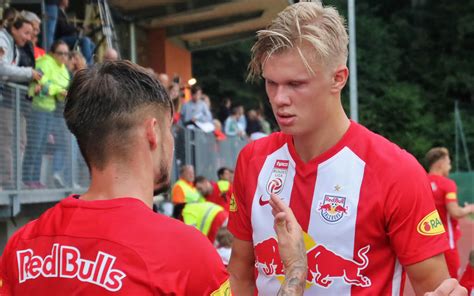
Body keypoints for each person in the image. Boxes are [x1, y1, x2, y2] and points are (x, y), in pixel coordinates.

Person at [0, 60, 309, 295]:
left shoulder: (22, 246)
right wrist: (295, 269)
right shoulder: (184, 253)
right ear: (153, 132)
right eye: (169, 128)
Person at [227, 2, 467, 295]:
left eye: (295, 84)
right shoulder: (253, 160)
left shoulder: (395, 171)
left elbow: (435, 288)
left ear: (338, 78)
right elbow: (240, 275)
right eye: (271, 83)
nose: (279, 99)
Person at [0, 16, 42, 190]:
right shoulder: (3, 39)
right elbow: (1, 68)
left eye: (30, 34)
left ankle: (13, 180)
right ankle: (7, 182)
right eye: (25, 32)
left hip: (12, 100)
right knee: (8, 140)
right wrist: (28, 73)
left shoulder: (14, 45)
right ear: (14, 29)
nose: (27, 37)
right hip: (7, 100)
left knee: (19, 141)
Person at [22, 40, 70, 189]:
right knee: (34, 145)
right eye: (60, 53)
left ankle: (35, 179)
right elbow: (41, 80)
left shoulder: (64, 69)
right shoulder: (45, 62)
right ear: (52, 53)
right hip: (38, 108)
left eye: (66, 54)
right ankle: (27, 178)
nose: (63, 56)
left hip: (50, 110)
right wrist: (57, 91)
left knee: (42, 145)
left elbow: (59, 88)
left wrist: (60, 92)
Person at [426, 147, 474, 278]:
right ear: (440, 163)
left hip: (426, 240)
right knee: (451, 281)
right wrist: (469, 208)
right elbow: (455, 212)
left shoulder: (422, 181)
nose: (450, 167)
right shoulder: (447, 184)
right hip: (447, 241)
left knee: (431, 283)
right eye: (448, 163)